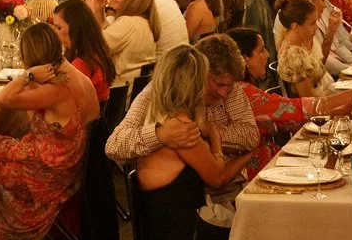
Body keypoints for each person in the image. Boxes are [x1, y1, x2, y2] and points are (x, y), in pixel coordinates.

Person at [0, 22, 96, 240]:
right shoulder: (72, 72)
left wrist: (27, 77)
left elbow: (2, 99)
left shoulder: (54, 89)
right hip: (67, 164)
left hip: (50, 176)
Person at [131, 47, 256, 240]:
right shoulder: (183, 132)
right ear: (194, 85)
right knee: (260, 235)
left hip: (161, 238)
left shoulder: (160, 121)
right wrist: (217, 139)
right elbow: (218, 178)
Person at [105, 34, 260, 175]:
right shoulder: (159, 91)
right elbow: (114, 145)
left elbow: (251, 136)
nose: (224, 93)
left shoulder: (231, 89)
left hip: (227, 187)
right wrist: (160, 135)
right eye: (218, 84)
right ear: (197, 73)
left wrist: (209, 132)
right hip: (189, 196)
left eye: (229, 86)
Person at [223, 27, 352, 176]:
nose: (267, 55)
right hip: (260, 170)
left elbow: (288, 118)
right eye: (261, 51)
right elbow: (298, 109)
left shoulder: (244, 89)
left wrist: (341, 111)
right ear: (245, 59)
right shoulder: (243, 93)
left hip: (272, 159)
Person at [50, 0, 116, 102]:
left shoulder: (82, 65)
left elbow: (55, 98)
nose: (54, 33)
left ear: (75, 28)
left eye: (59, 28)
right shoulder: (96, 54)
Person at [100, 0, 158, 85]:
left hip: (117, 93)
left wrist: (89, 12)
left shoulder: (128, 23)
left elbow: (93, 47)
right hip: (132, 91)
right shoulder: (145, 21)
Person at [275, 0, 335, 98]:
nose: (316, 28)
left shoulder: (298, 46)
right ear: (295, 26)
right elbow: (309, 100)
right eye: (312, 24)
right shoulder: (293, 55)